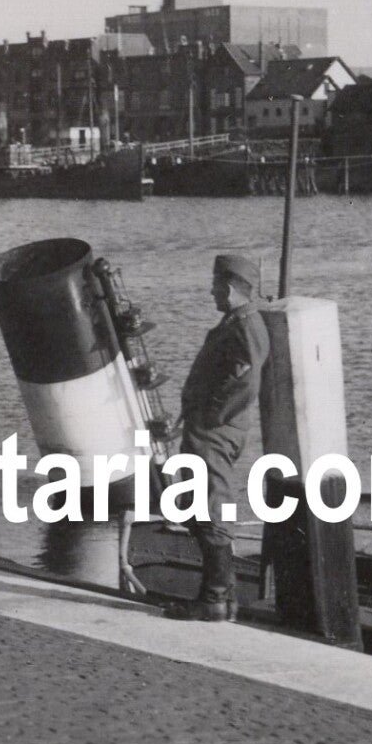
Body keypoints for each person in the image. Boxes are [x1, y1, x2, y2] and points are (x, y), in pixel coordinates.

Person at [164, 252, 271, 621]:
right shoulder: (237, 322)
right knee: (203, 504)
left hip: (214, 433)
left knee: (210, 506)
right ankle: (222, 598)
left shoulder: (243, 327)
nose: (210, 293)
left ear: (228, 288)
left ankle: (214, 598)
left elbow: (245, 383)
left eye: (214, 286)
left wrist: (211, 418)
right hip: (211, 430)